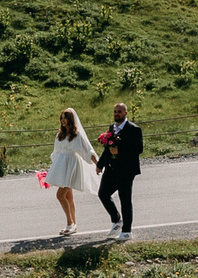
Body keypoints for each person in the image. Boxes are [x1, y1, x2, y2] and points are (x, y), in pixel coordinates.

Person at [45, 107, 98, 237]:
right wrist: (53, 168)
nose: (63, 121)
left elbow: (88, 151)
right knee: (68, 197)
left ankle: (70, 224)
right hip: (61, 165)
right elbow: (56, 152)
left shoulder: (77, 135)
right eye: (62, 118)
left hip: (72, 165)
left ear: (71, 119)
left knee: (60, 195)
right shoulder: (59, 135)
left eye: (66, 118)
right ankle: (73, 224)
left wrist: (98, 164)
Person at [97, 101, 144, 242]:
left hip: (126, 170)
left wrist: (120, 149)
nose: (117, 114)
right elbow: (107, 149)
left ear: (125, 113)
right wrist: (100, 164)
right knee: (103, 194)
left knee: (125, 199)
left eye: (119, 112)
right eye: (115, 111)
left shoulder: (134, 129)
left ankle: (127, 231)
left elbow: (139, 149)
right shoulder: (112, 128)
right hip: (111, 169)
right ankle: (117, 219)